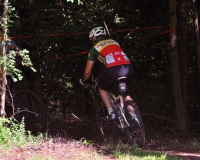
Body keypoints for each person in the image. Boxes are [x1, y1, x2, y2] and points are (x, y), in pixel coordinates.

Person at [80, 26, 134, 119]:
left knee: (102, 87)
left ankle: (111, 112)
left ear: (94, 37)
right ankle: (135, 117)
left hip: (112, 68)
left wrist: (86, 80)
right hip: (128, 67)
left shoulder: (94, 47)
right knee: (126, 94)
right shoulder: (114, 42)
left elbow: (88, 70)